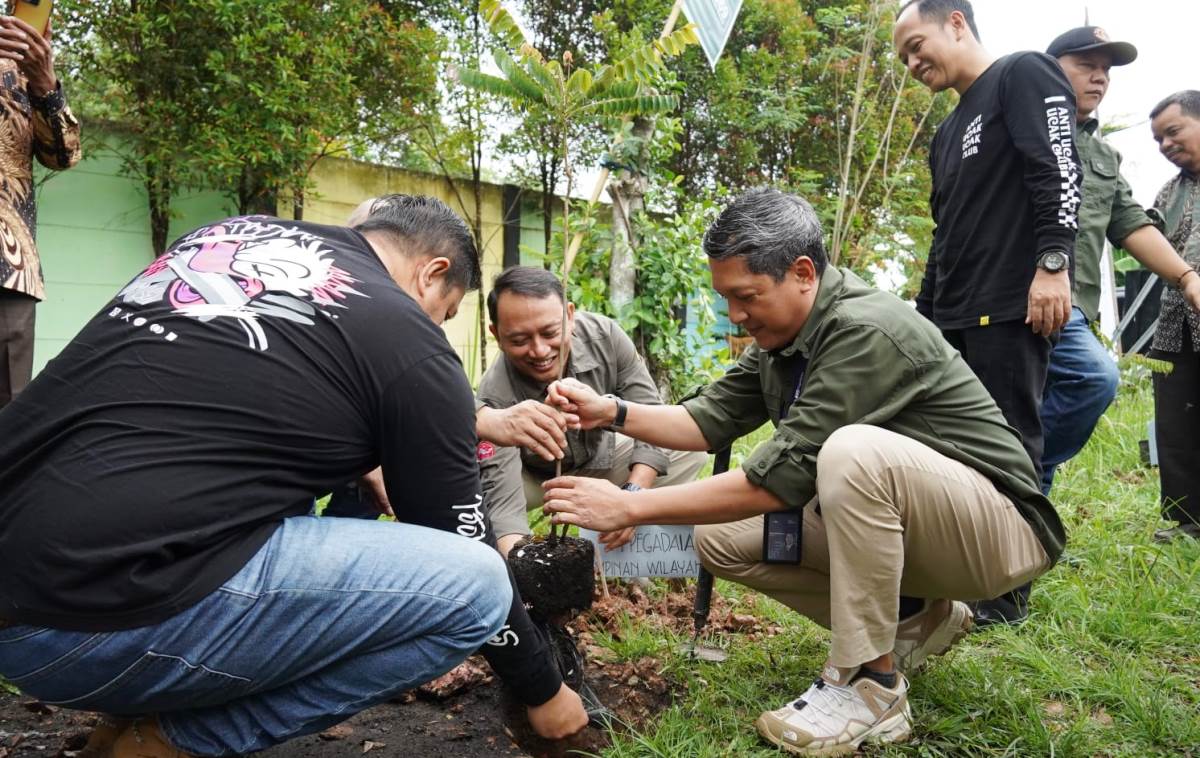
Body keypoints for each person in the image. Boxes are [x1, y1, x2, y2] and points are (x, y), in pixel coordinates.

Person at [0, 196, 586, 758]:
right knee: (477, 586)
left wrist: (366, 461)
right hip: (82, 633)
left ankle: (137, 704)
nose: (436, 325)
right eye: (447, 312)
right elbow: (460, 539)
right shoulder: (411, 339)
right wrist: (542, 688)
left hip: (23, 596)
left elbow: (231, 402)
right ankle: (174, 740)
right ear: (432, 274)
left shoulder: (224, 237)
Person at [540, 188, 1064, 756]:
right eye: (727, 299)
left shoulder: (864, 329)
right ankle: (919, 618)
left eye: (746, 297)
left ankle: (870, 686)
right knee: (720, 540)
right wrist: (611, 411)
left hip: (1000, 531)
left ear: (803, 272)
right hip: (930, 530)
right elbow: (705, 419)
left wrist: (631, 505)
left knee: (851, 453)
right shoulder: (783, 339)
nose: (735, 315)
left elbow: (775, 481)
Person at [894, 0, 1082, 626]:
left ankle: (1006, 594)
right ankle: (953, 575)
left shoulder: (1023, 73)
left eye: (917, 43)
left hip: (1012, 304)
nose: (912, 61)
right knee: (945, 448)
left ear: (955, 21)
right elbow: (944, 232)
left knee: (1010, 443)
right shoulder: (947, 132)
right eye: (903, 57)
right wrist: (920, 318)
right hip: (952, 313)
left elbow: (1057, 168)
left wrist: (1053, 263)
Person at [1040, 28, 1200, 494]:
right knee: (1092, 379)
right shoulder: (1018, 128)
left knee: (1068, 393)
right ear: (1049, 69)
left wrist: (1186, 278)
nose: (1100, 78)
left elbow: (1129, 223)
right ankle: (1009, 480)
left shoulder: (1103, 155)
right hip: (1015, 300)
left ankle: (1020, 519)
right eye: (1086, 66)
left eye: (1106, 70)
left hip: (1073, 308)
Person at [476, 265, 707, 557]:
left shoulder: (606, 337)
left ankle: (630, 554)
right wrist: (524, 566)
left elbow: (650, 414)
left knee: (686, 447)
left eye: (550, 332)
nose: (539, 351)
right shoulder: (494, 393)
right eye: (519, 341)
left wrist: (632, 502)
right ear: (497, 334)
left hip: (601, 456)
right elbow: (505, 507)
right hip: (530, 476)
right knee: (480, 505)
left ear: (569, 315)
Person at [0, 13, 80, 407]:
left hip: (10, 273)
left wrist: (44, 81)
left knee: (8, 419)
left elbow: (64, 154)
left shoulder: (17, 66)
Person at [1147, 91, 1200, 542]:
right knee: (1176, 421)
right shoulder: (1171, 189)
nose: (1165, 145)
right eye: (1159, 139)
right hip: (1174, 322)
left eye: (1173, 131)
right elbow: (1145, 232)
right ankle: (1188, 520)